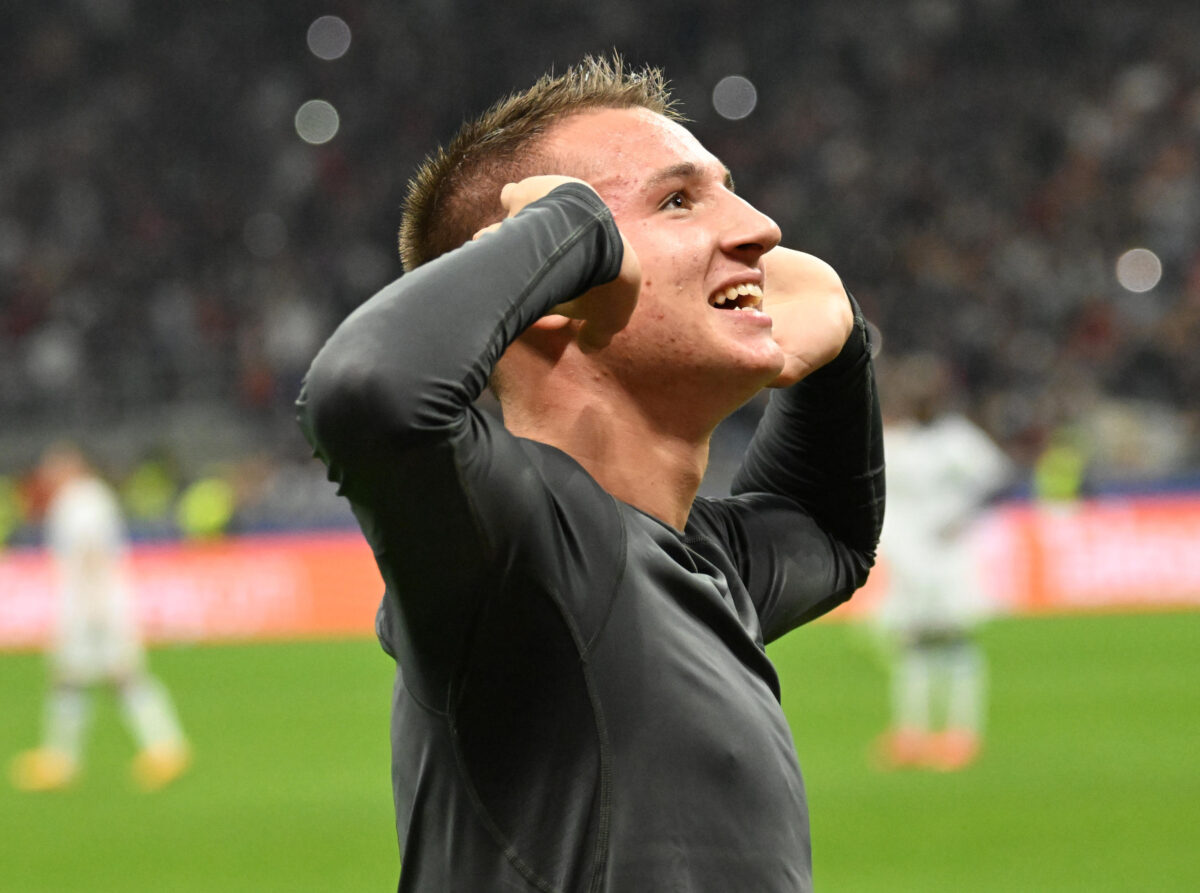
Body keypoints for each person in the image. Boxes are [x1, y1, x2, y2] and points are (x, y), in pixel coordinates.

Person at [297, 55, 884, 891]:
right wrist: (570, 224)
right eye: (677, 201)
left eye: (729, 192)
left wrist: (842, 343)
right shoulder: (520, 555)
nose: (762, 229)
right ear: (554, 292)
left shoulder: (691, 561)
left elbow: (829, 533)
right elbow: (371, 393)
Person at [10, 443, 190, 792]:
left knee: (103, 676)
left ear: (73, 466)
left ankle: (67, 759)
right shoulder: (88, 497)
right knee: (92, 677)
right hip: (96, 603)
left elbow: (90, 552)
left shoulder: (81, 501)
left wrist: (93, 607)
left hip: (92, 606)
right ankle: (159, 748)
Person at [872, 353, 1011, 771]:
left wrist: (962, 517)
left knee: (955, 644)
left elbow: (999, 478)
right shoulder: (895, 442)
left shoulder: (958, 440)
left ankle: (961, 733)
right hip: (909, 562)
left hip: (949, 561)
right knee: (910, 645)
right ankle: (910, 734)